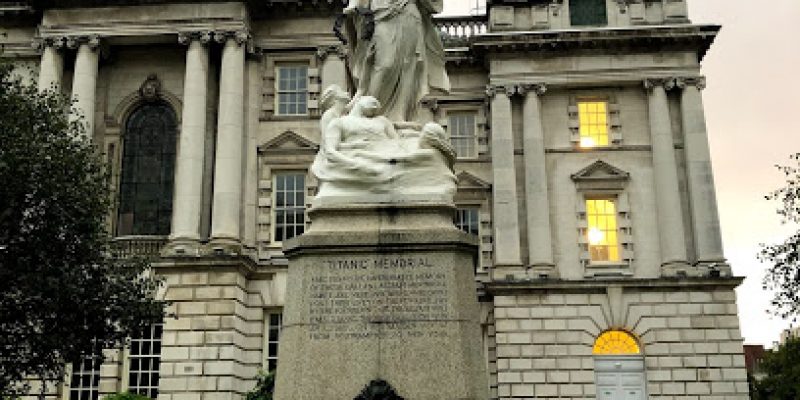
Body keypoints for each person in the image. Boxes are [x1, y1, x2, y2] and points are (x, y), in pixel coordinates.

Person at [342, 0, 450, 123]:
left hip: (409, 12)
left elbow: (433, 6)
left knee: (409, 66)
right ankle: (367, 112)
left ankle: (400, 115)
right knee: (384, 65)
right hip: (381, 13)